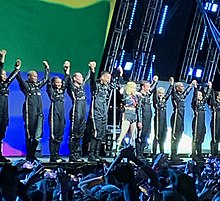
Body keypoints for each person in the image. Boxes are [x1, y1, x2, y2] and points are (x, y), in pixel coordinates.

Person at [88, 62, 122, 161]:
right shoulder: (96, 86)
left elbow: (116, 85)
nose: (109, 80)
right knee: (96, 133)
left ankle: (97, 153)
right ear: (102, 77)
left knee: (102, 134)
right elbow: (92, 81)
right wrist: (92, 70)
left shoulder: (107, 87)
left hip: (104, 112)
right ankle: (91, 154)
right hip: (96, 112)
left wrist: (119, 74)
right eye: (107, 78)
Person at [16, 60, 50, 161]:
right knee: (30, 135)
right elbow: (19, 79)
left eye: (36, 76)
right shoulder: (26, 86)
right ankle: (29, 156)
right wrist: (17, 68)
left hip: (39, 114)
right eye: (33, 76)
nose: (35, 78)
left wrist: (47, 68)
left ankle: (33, 155)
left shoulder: (37, 86)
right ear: (29, 77)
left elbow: (45, 79)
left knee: (37, 136)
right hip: (29, 114)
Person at [67, 62, 92, 162]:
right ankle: (72, 155)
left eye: (82, 77)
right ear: (75, 78)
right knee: (74, 134)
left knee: (80, 134)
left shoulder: (82, 86)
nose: (82, 78)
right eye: (79, 77)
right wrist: (67, 69)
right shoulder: (73, 88)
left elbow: (87, 77)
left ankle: (77, 154)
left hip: (83, 113)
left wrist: (91, 69)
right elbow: (68, 80)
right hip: (75, 112)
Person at [47, 61, 70, 163]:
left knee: (60, 135)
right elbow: (47, 81)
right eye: (57, 82)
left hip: (61, 115)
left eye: (60, 83)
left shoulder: (62, 91)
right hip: (54, 114)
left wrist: (66, 71)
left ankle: (57, 155)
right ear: (53, 83)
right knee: (54, 136)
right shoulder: (51, 90)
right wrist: (47, 69)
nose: (60, 84)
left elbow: (66, 80)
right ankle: (53, 156)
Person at [0, 50, 20, 162]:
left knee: (1, 135)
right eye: (2, 74)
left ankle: (0, 154)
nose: (4, 76)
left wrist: (16, 69)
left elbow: (11, 78)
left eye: (5, 74)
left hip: (3, 115)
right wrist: (2, 59)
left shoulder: (5, 85)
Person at [170, 80, 195, 161]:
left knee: (179, 136)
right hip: (176, 117)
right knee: (175, 136)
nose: (183, 87)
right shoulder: (175, 95)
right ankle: (173, 154)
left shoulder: (181, 96)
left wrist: (191, 85)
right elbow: (172, 91)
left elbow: (186, 92)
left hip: (181, 118)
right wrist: (172, 84)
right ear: (177, 88)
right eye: (181, 86)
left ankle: (175, 153)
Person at [116, 81, 142, 153]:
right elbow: (120, 89)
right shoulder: (124, 93)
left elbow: (138, 107)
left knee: (132, 136)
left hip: (133, 115)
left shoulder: (135, 96)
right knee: (123, 134)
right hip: (127, 113)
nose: (135, 89)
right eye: (133, 87)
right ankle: (116, 149)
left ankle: (130, 152)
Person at [136, 75, 158, 159]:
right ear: (142, 87)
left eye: (149, 86)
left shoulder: (147, 95)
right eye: (147, 87)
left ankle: (141, 153)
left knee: (146, 135)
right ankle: (138, 154)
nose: (149, 88)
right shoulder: (140, 96)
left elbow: (152, 89)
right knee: (141, 136)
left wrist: (155, 82)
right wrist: (139, 121)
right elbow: (139, 109)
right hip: (143, 118)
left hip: (148, 118)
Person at [152, 77, 174, 156]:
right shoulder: (156, 100)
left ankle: (162, 152)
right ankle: (154, 153)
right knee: (157, 136)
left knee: (163, 135)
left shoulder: (164, 99)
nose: (161, 94)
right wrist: (155, 82)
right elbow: (154, 94)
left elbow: (169, 93)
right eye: (160, 93)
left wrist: (171, 85)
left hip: (163, 119)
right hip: (158, 119)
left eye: (162, 93)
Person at [191, 81, 212, 161]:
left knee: (201, 138)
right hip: (196, 122)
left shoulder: (203, 102)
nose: (200, 96)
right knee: (195, 138)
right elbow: (195, 96)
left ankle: (199, 153)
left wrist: (209, 87)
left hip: (202, 123)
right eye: (198, 95)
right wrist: (195, 88)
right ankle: (193, 153)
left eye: (201, 95)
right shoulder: (195, 103)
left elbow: (207, 96)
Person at [208, 90, 220, 157]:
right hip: (216, 123)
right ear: (217, 97)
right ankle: (214, 154)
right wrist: (211, 89)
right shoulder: (215, 104)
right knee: (215, 139)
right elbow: (212, 100)